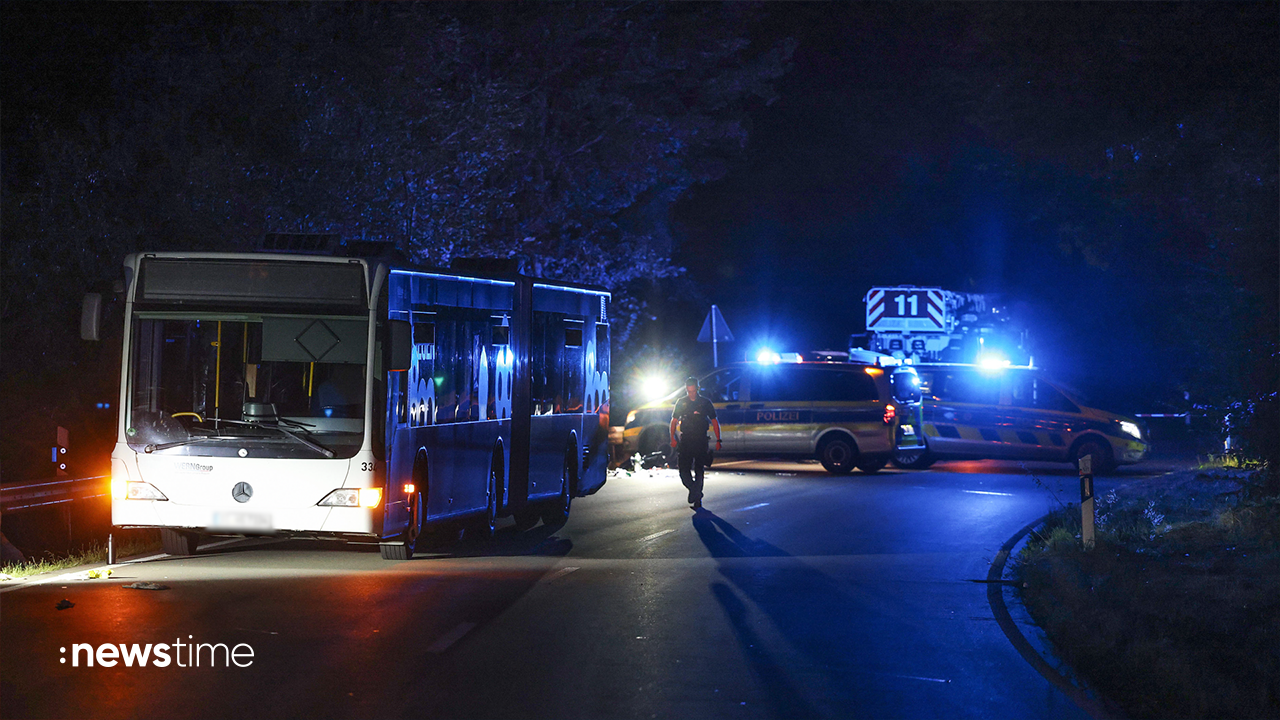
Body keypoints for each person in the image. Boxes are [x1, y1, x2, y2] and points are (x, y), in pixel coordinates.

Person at [670, 376, 722, 509]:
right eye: (689, 391)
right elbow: (674, 421)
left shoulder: (705, 402)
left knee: (699, 470)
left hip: (701, 440)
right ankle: (695, 491)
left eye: (693, 391)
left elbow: (714, 421)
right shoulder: (681, 402)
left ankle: (697, 499)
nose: (691, 394)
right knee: (683, 471)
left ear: (698, 389)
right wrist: (672, 439)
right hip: (686, 440)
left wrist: (718, 439)